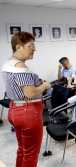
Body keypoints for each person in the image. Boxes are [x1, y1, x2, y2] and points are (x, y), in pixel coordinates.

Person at [1, 31, 51, 167]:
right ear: (18, 47)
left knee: (23, 149)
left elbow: (22, 87)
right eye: (31, 45)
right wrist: (44, 85)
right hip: (27, 113)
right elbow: (31, 94)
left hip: (15, 110)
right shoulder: (20, 67)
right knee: (31, 154)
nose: (34, 49)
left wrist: (36, 83)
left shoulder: (8, 63)